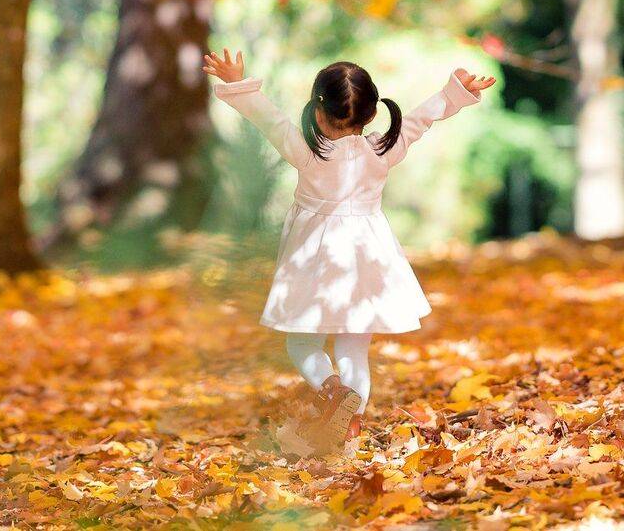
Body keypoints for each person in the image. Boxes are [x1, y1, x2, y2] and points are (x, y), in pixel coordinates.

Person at [203, 48, 496, 454]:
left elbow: (268, 118)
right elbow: (418, 120)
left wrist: (237, 81)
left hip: (316, 264)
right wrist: (454, 92)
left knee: (302, 344)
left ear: (317, 111)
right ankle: (351, 428)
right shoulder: (384, 150)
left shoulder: (307, 152)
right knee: (354, 349)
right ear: (372, 114)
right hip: (367, 262)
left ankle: (332, 390)